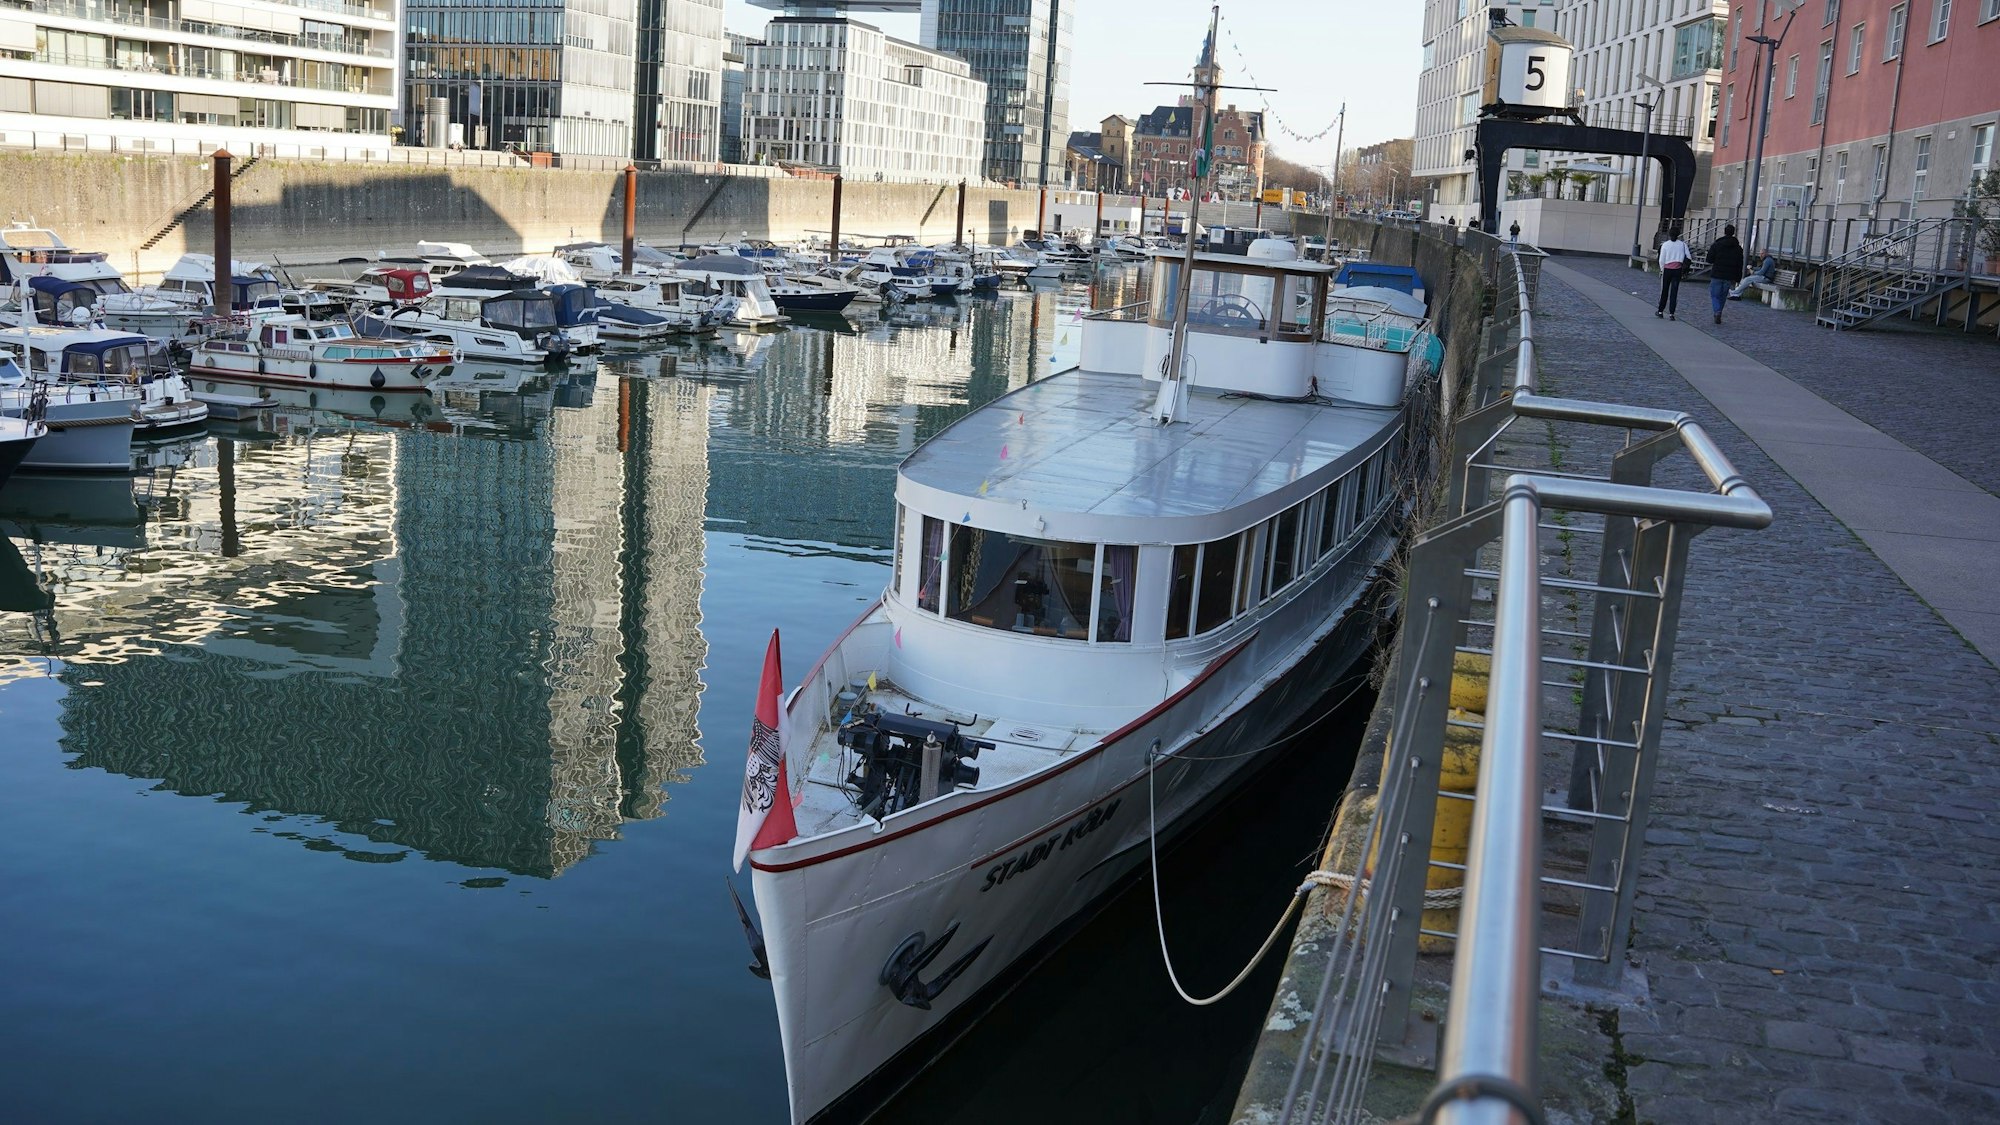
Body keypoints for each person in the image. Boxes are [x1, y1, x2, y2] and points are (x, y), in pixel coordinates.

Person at [1707, 224, 1746, 323]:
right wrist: (1738, 277)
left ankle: (1717, 311)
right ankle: (1719, 311)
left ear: (1724, 232)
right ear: (1733, 233)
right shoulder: (1737, 248)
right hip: (1729, 275)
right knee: (1723, 296)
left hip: (1717, 273)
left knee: (1715, 295)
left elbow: (1709, 259)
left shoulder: (1717, 244)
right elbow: (1740, 264)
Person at [1655, 225, 1690, 320]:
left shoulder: (1665, 245)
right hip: (1677, 270)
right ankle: (1671, 313)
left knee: (1664, 291)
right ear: (1678, 234)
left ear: (1669, 234)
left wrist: (1662, 269)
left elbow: (1661, 260)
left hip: (1667, 270)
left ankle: (1660, 311)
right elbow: (1689, 257)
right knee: (1674, 292)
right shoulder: (1683, 245)